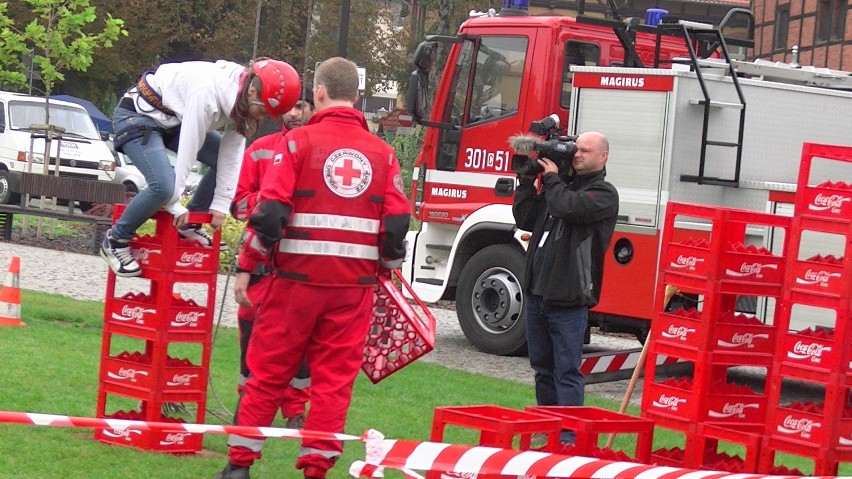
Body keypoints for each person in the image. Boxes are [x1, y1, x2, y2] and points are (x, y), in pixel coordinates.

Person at [215, 57, 410, 479]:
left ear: (318, 92)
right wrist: (387, 270)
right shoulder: (384, 154)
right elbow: (396, 224)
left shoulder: (297, 143)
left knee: (266, 373)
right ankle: (316, 471)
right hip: (352, 289)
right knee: (333, 386)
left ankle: (238, 466)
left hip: (294, 284)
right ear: (357, 97)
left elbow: (269, 215)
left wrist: (247, 265)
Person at [100, 58, 301, 277]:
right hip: (138, 117)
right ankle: (116, 239)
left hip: (171, 120)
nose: (261, 118)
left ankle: (189, 225)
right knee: (163, 186)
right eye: (262, 112)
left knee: (222, 158)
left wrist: (221, 204)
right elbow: (189, 145)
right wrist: (174, 203)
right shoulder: (207, 93)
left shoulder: (242, 99)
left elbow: (231, 154)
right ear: (252, 91)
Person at [511, 131, 619, 444]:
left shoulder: (603, 194)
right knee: (542, 368)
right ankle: (548, 431)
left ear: (603, 156)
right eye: (576, 149)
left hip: (569, 298)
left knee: (567, 371)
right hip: (537, 294)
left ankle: (569, 438)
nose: (577, 155)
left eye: (585, 151)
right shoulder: (560, 188)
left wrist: (553, 178)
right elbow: (526, 218)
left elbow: (568, 208)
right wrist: (526, 183)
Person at [229, 86, 316, 430]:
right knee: (251, 340)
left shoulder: (319, 152)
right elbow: (238, 203)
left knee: (301, 345)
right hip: (261, 267)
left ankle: (295, 413)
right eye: (290, 107)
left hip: (300, 267)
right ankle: (245, 410)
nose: (294, 113)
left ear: (314, 105)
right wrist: (270, 204)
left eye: (301, 106)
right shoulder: (260, 151)